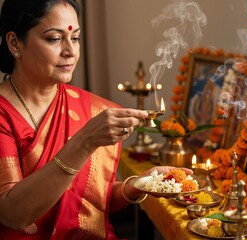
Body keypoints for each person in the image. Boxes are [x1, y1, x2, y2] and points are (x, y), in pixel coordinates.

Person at [0, 0, 192, 239]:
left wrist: (135, 187)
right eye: (54, 38)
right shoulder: (3, 115)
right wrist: (84, 142)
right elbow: (12, 214)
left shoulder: (92, 109)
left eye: (76, 38)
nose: (70, 51)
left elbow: (85, 202)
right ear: (14, 43)